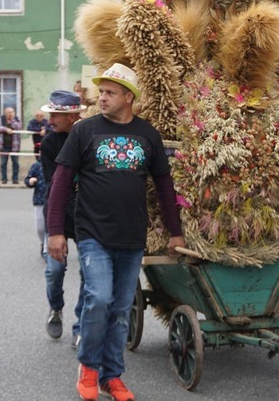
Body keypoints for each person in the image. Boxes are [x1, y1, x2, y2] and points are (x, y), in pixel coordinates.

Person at [46, 63, 185, 401]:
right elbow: (62, 182)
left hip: (132, 236)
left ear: (128, 97)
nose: (102, 97)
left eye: (109, 92)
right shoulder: (84, 131)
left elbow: (165, 187)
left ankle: (112, 376)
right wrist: (55, 231)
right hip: (93, 233)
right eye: (101, 92)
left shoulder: (147, 135)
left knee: (122, 311)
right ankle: (89, 368)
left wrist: (175, 231)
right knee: (98, 299)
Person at [40, 90, 87, 345]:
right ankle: (56, 308)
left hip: (85, 215)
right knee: (55, 269)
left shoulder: (87, 137)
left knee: (87, 273)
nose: (50, 120)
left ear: (72, 117)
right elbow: (55, 185)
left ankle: (81, 324)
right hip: (58, 212)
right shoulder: (49, 143)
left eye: (55, 115)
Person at [24, 154, 47, 256]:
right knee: (40, 228)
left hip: (52, 201)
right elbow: (27, 179)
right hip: (39, 200)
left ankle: (47, 250)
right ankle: (43, 243)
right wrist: (30, 181)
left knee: (50, 227)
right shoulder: (36, 166)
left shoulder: (55, 164)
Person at [0, 106, 22, 184]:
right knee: (3, 163)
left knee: (15, 163)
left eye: (12, 112)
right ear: (5, 113)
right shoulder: (1, 118)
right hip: (3, 145)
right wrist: (6, 129)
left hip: (14, 145)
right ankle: (4, 179)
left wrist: (12, 121)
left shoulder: (16, 119)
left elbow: (19, 127)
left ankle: (15, 179)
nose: (11, 114)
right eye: (9, 112)